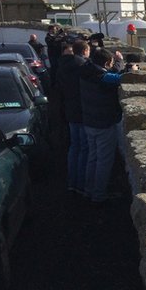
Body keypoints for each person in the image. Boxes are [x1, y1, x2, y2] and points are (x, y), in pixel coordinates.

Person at [79, 47, 136, 204]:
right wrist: (131, 71)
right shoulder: (100, 76)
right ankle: (98, 195)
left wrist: (119, 64)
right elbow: (120, 79)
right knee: (104, 161)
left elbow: (111, 75)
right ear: (105, 63)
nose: (111, 66)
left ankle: (88, 190)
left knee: (93, 157)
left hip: (89, 121)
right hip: (103, 123)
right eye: (111, 63)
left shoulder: (86, 69)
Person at [57, 40, 90, 196]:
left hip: (69, 110)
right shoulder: (82, 65)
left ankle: (72, 182)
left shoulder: (63, 65)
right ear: (84, 51)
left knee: (74, 147)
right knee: (84, 148)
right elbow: (98, 75)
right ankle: (81, 184)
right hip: (82, 110)